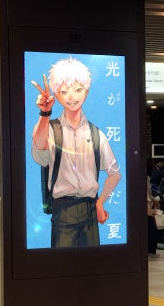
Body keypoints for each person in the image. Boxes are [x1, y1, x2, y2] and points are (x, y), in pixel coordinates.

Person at [30, 58, 121, 247]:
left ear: (86, 92)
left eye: (78, 89)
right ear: (56, 93)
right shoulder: (50, 128)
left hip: (90, 209)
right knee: (61, 268)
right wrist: (45, 113)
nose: (72, 96)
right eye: (64, 91)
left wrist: (100, 202)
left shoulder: (96, 134)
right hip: (63, 209)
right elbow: (39, 149)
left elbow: (114, 174)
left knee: (92, 268)